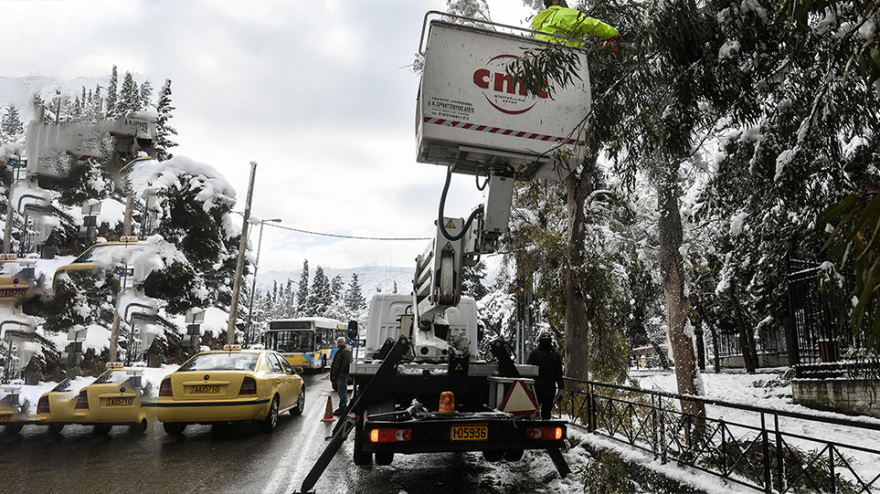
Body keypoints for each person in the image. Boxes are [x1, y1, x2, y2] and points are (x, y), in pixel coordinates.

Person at [532, 0, 621, 53]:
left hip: (546, 62)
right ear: (555, 1)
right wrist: (612, 34)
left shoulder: (543, 22)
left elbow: (565, 39)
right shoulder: (563, 13)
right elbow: (588, 23)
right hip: (565, 58)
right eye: (563, 1)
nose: (565, 3)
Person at [527, 331, 565, 420]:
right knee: (532, 413)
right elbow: (528, 371)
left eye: (548, 337)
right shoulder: (534, 354)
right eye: (544, 336)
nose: (546, 338)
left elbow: (559, 373)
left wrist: (561, 388)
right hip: (536, 389)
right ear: (540, 339)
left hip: (549, 389)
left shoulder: (555, 355)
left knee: (546, 414)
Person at [329, 336, 352, 416]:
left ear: (344, 343)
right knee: (340, 391)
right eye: (338, 342)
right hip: (339, 375)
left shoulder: (346, 352)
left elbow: (346, 363)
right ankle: (342, 407)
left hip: (342, 375)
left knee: (342, 391)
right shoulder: (340, 351)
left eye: (341, 342)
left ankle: (343, 408)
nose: (339, 343)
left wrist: (341, 372)